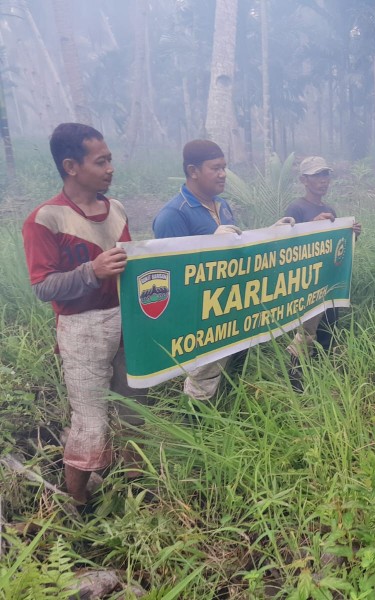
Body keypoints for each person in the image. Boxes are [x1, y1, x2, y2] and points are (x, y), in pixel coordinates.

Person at [22, 123, 148, 505]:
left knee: (136, 413)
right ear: (71, 166)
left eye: (110, 159)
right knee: (91, 424)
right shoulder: (45, 219)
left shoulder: (119, 210)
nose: (111, 168)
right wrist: (91, 272)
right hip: (82, 329)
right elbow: (43, 286)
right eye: (102, 161)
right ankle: (77, 503)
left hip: (127, 321)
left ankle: (134, 494)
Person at [153, 140, 244, 400]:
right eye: (215, 168)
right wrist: (210, 244)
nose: (223, 174)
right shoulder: (173, 215)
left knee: (230, 374)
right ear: (193, 171)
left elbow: (237, 248)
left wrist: (276, 232)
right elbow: (169, 275)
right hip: (199, 317)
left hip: (229, 307)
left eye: (224, 167)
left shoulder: (222, 206)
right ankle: (196, 429)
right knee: (203, 381)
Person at [282, 156, 361, 391]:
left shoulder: (329, 210)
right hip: (308, 286)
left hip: (328, 283)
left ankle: (321, 380)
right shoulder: (296, 208)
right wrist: (312, 227)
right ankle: (295, 381)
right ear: (303, 180)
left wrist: (351, 234)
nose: (323, 180)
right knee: (305, 334)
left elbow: (335, 248)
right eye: (317, 175)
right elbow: (286, 245)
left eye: (325, 175)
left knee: (328, 330)